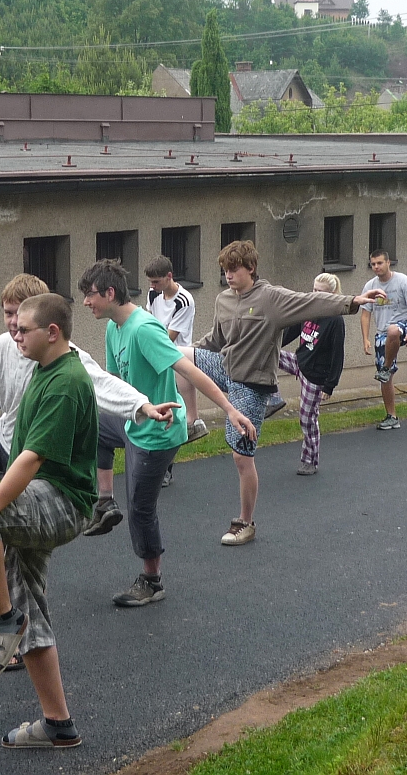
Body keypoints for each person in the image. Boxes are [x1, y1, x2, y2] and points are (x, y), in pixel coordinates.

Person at [0, 274, 178, 555]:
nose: (14, 323)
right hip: (1, 436)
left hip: (30, 456)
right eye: (8, 314)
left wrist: (143, 405)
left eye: (20, 316)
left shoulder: (64, 361)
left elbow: (103, 383)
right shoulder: (2, 346)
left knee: (19, 551)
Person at [0, 294, 95, 750]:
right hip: (38, 499)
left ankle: (2, 620)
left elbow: (31, 459)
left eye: (23, 329)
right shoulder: (44, 370)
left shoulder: (65, 381)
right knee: (30, 606)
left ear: (52, 332)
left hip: (61, 502)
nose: (14, 335)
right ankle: (58, 724)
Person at [81, 259, 256, 605]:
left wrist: (229, 409)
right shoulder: (114, 327)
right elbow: (114, 381)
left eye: (90, 295)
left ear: (110, 293)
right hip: (135, 419)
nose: (86, 302)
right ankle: (105, 501)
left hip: (158, 431)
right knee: (95, 423)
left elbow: (188, 370)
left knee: (140, 508)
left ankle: (152, 580)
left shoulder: (143, 329)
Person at [193, 241, 383, 545]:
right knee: (177, 356)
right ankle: (191, 423)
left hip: (252, 386)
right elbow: (215, 339)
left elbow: (311, 301)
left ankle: (245, 523)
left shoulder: (270, 298)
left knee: (241, 458)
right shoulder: (223, 300)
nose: (228, 275)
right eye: (225, 270)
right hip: (225, 369)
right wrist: (187, 347)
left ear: (251, 268)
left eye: (234, 269)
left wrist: (353, 301)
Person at [277, 273, 346, 476]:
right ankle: (271, 396)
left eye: (320, 292)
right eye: (314, 290)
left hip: (316, 375)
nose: (315, 294)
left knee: (307, 418)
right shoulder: (308, 309)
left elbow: (337, 355)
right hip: (300, 362)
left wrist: (329, 385)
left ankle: (310, 461)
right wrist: (270, 342)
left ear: (331, 294)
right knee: (266, 352)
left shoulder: (335, 320)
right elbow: (289, 333)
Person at [144, 255, 208, 459]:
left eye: (156, 281)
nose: (152, 286)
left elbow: (169, 338)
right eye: (150, 282)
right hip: (156, 354)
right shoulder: (153, 294)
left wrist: (148, 349)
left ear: (169, 276)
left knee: (172, 412)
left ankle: (192, 423)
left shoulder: (184, 301)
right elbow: (149, 322)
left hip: (175, 358)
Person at [359, 249, 407, 431]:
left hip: (404, 324)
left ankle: (386, 367)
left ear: (388, 263)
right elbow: (365, 315)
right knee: (385, 379)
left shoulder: (402, 281)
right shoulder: (370, 286)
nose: (376, 267)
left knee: (393, 330)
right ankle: (391, 416)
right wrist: (365, 339)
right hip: (382, 333)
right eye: (373, 264)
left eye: (379, 263)